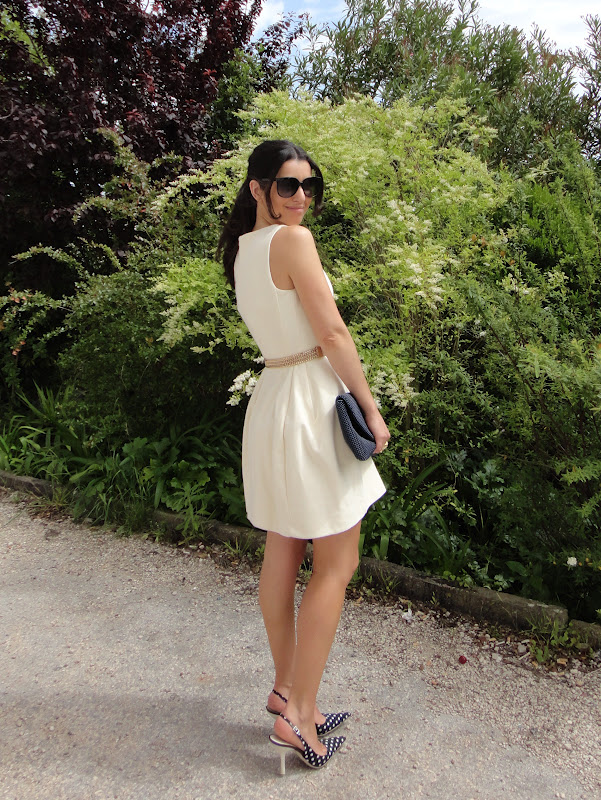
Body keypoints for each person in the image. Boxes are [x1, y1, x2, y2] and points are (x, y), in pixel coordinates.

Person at [218, 140, 390, 773]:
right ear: (258, 187)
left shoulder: (244, 250)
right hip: (312, 405)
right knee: (337, 561)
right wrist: (371, 408)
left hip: (273, 401)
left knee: (283, 547)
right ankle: (299, 714)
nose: (301, 197)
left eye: (309, 185)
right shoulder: (293, 243)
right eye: (287, 185)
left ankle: (287, 690)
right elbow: (333, 333)